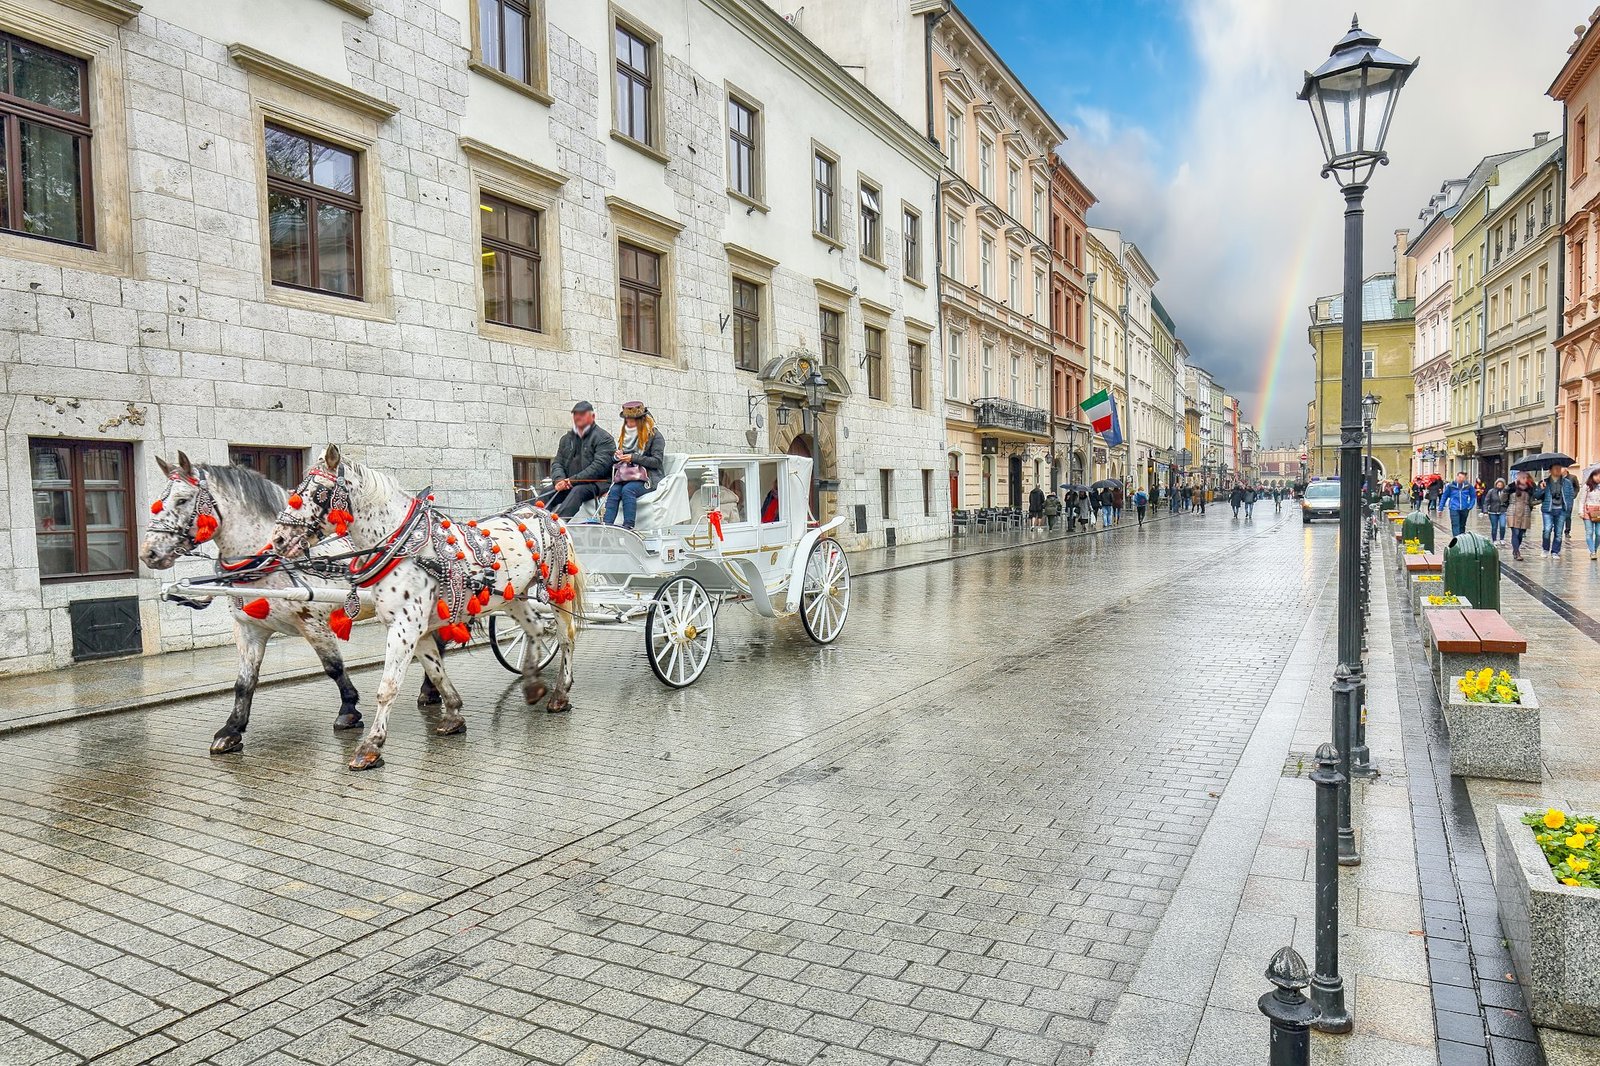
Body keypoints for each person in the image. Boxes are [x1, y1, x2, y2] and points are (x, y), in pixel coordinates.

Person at [601, 401, 665, 530]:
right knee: (614, 491)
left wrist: (633, 457)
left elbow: (657, 461)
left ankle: (628, 526)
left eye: (632, 420)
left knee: (628, 490)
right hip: (627, 475)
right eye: (627, 420)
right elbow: (616, 459)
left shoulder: (655, 436)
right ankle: (607, 526)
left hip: (648, 478)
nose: (629, 423)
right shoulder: (627, 436)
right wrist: (617, 456)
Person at [551, 401, 618, 518]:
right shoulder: (566, 439)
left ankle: (557, 524)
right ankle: (532, 520)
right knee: (549, 491)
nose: (578, 417)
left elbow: (599, 467)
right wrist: (559, 479)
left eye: (582, 414)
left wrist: (572, 481)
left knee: (578, 491)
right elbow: (558, 462)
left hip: (597, 483)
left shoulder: (604, 439)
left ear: (592, 417)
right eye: (576, 414)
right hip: (570, 483)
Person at [1538, 464, 1576, 558]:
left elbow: (1570, 495)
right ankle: (1545, 549)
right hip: (1548, 509)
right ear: (1550, 471)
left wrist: (1568, 508)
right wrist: (1542, 489)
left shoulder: (1566, 482)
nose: (1558, 470)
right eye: (1556, 469)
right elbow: (1537, 496)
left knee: (1558, 532)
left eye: (1559, 468)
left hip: (1561, 509)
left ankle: (1555, 551)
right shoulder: (1544, 482)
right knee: (1547, 529)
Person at [1506, 471, 1536, 561]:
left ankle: (1516, 549)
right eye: (1523, 478)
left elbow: (1531, 501)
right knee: (1515, 532)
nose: (1525, 479)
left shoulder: (1530, 488)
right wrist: (1506, 490)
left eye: (1526, 478)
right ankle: (1517, 552)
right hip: (1513, 512)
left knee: (1520, 534)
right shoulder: (1512, 487)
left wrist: (1541, 500)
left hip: (1525, 512)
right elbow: (1503, 498)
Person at [1442, 471, 1475, 537]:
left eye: (1463, 478)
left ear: (1465, 478)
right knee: (1455, 524)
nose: (1461, 479)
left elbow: (1473, 497)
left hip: (1464, 508)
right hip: (1454, 508)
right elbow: (1444, 496)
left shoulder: (1468, 486)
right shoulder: (1451, 486)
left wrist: (1470, 506)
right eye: (1459, 477)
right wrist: (1440, 508)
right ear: (1456, 477)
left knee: (1462, 525)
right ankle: (1456, 540)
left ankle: (1462, 538)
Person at [1580, 466, 1600, 560]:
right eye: (1595, 475)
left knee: (1598, 533)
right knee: (1589, 532)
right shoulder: (1586, 486)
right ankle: (1592, 552)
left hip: (1598, 511)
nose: (1597, 477)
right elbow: (1582, 500)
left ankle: (1595, 550)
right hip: (1587, 511)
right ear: (1592, 475)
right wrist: (1581, 511)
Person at [1482, 478, 1509, 545]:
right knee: (1494, 527)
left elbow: (1509, 501)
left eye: (1501, 484)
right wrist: (1485, 511)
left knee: (1502, 525)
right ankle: (1494, 539)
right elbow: (1486, 501)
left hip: (1502, 511)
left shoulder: (1506, 492)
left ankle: (1502, 539)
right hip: (1493, 512)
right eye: (1498, 484)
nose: (1499, 485)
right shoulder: (1491, 491)